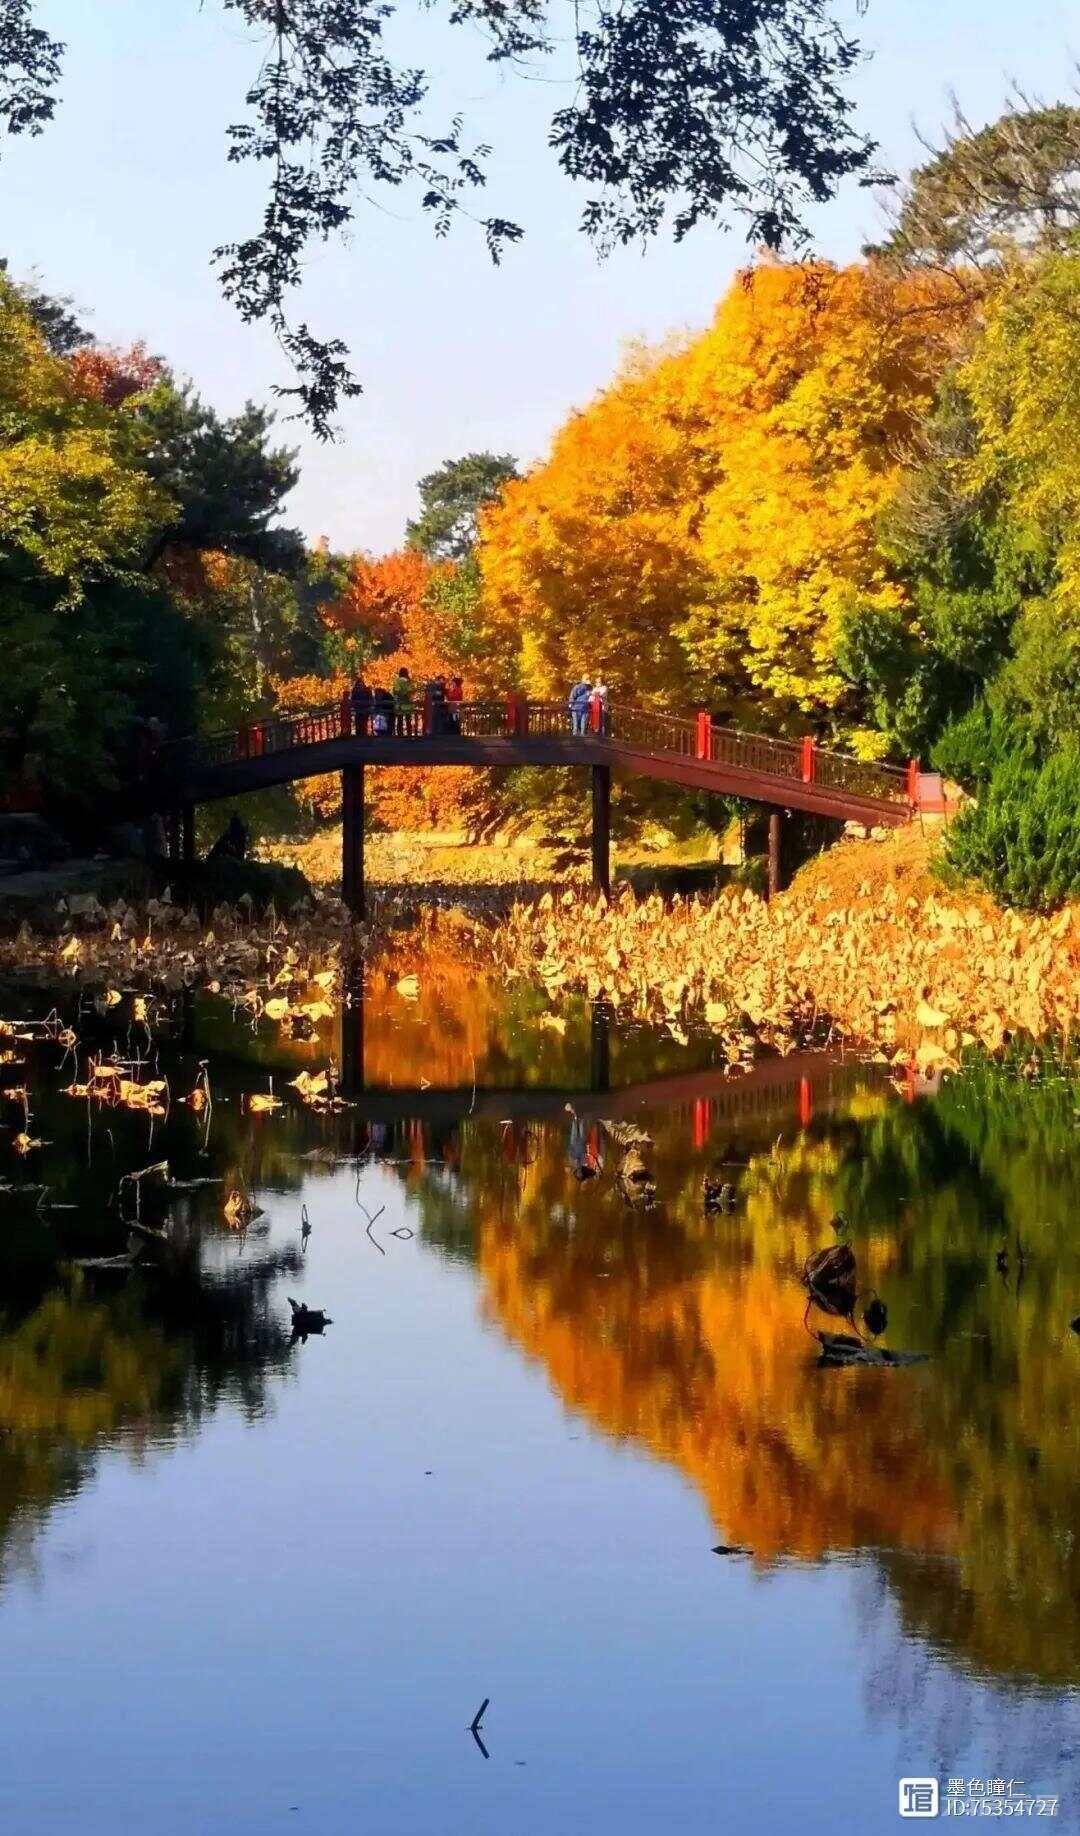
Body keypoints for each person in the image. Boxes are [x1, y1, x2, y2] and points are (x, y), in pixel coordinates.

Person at [392, 667, 416, 736]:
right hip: (408, 704)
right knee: (408, 721)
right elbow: (411, 691)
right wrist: (408, 695)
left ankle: (400, 735)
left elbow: (396, 691)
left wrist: (402, 694)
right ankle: (409, 735)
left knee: (400, 720)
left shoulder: (398, 681)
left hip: (400, 704)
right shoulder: (408, 681)